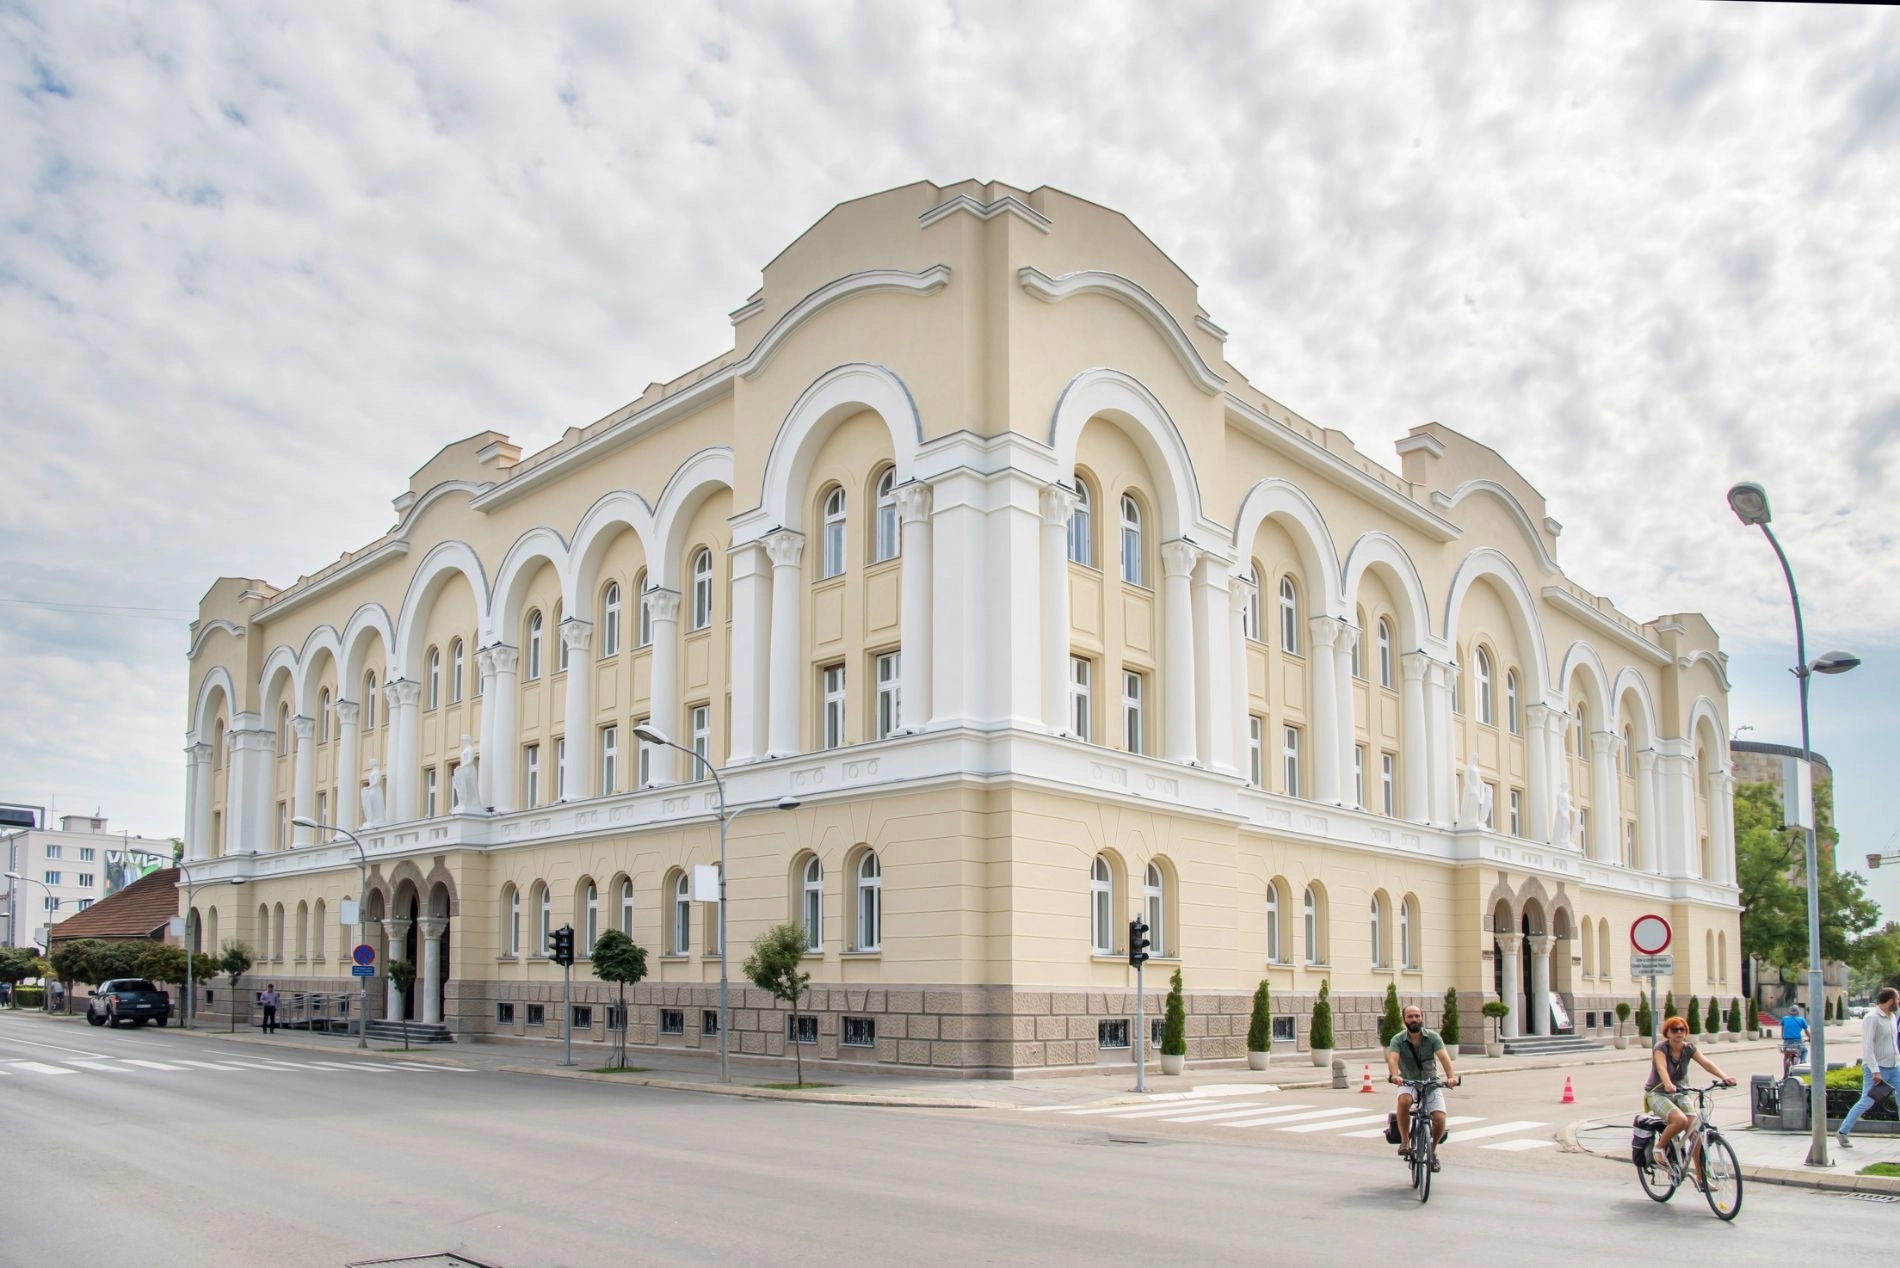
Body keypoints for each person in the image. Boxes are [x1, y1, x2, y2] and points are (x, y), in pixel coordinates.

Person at [1647, 1014, 1735, 1172]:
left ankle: (1702, 1179)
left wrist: (1725, 1077)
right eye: (1674, 1030)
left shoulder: (1689, 1049)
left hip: (1681, 1092)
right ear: (1667, 1033)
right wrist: (1667, 1083)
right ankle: (1659, 1148)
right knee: (1680, 1120)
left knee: (1695, 1134)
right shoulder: (1661, 1048)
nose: (1678, 1033)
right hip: (1658, 1093)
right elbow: (1661, 1068)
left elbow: (1706, 1063)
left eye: (1682, 1029)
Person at [1386, 1003, 1460, 1171]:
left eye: (1417, 1016)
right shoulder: (1398, 1039)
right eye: (1410, 1016)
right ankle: (1405, 1141)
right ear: (1404, 1019)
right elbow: (1393, 1058)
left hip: (1431, 1082)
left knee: (1439, 1118)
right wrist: (1395, 1075)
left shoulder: (1433, 1037)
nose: (1414, 1019)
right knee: (1404, 1101)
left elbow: (1444, 1057)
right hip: (1408, 1081)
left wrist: (1451, 1077)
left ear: (1422, 1018)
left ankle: (1432, 1153)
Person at [1838, 986, 1900, 1150]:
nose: (1899, 1002)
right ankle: (1843, 1132)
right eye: (1898, 999)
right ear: (1891, 1000)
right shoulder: (1872, 1017)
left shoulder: (1892, 1016)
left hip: (1894, 1067)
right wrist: (1875, 1071)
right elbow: (1868, 1047)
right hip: (1877, 1069)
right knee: (1867, 1101)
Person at [1779, 1003, 1810, 1069]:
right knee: (1805, 1051)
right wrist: (1810, 1038)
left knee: (1786, 1056)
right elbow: (1806, 1031)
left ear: (1790, 1012)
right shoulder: (1801, 1020)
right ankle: (1802, 1061)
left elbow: (1782, 1028)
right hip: (1797, 1041)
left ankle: (1785, 1073)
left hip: (1786, 1041)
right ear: (1798, 1012)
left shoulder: (1785, 1018)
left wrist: (1783, 1035)